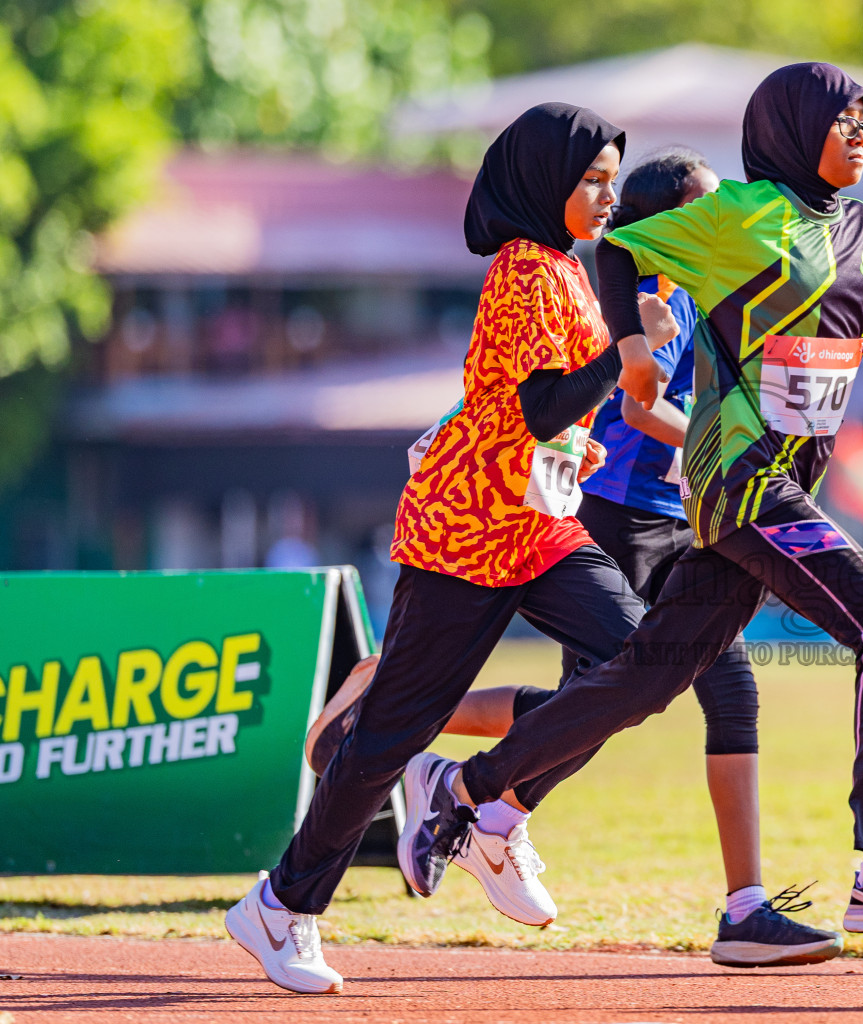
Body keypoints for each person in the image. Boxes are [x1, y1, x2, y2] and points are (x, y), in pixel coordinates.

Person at [395, 62, 863, 940]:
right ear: (793, 127)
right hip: (737, 480)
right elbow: (620, 246)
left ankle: (467, 787)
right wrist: (631, 347)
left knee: (645, 679)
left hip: (782, 487)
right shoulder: (735, 216)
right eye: (845, 122)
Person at [304, 146, 841, 971]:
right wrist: (741, 448)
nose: (718, 221)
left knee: (693, 691)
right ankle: (461, 787)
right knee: (617, 691)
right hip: (614, 514)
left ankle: (737, 907)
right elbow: (638, 403)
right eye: (703, 209)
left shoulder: (700, 293)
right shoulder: (645, 289)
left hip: (681, 515)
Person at [224, 102, 676, 995]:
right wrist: (626, 354)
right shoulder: (519, 270)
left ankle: (485, 808)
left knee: (643, 662)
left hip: (541, 525)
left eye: (613, 179)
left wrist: (618, 377)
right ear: (546, 185)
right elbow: (536, 407)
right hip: (468, 528)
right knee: (388, 735)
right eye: (592, 181)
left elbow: (558, 424)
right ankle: (279, 906)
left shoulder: (567, 268)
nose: (608, 196)